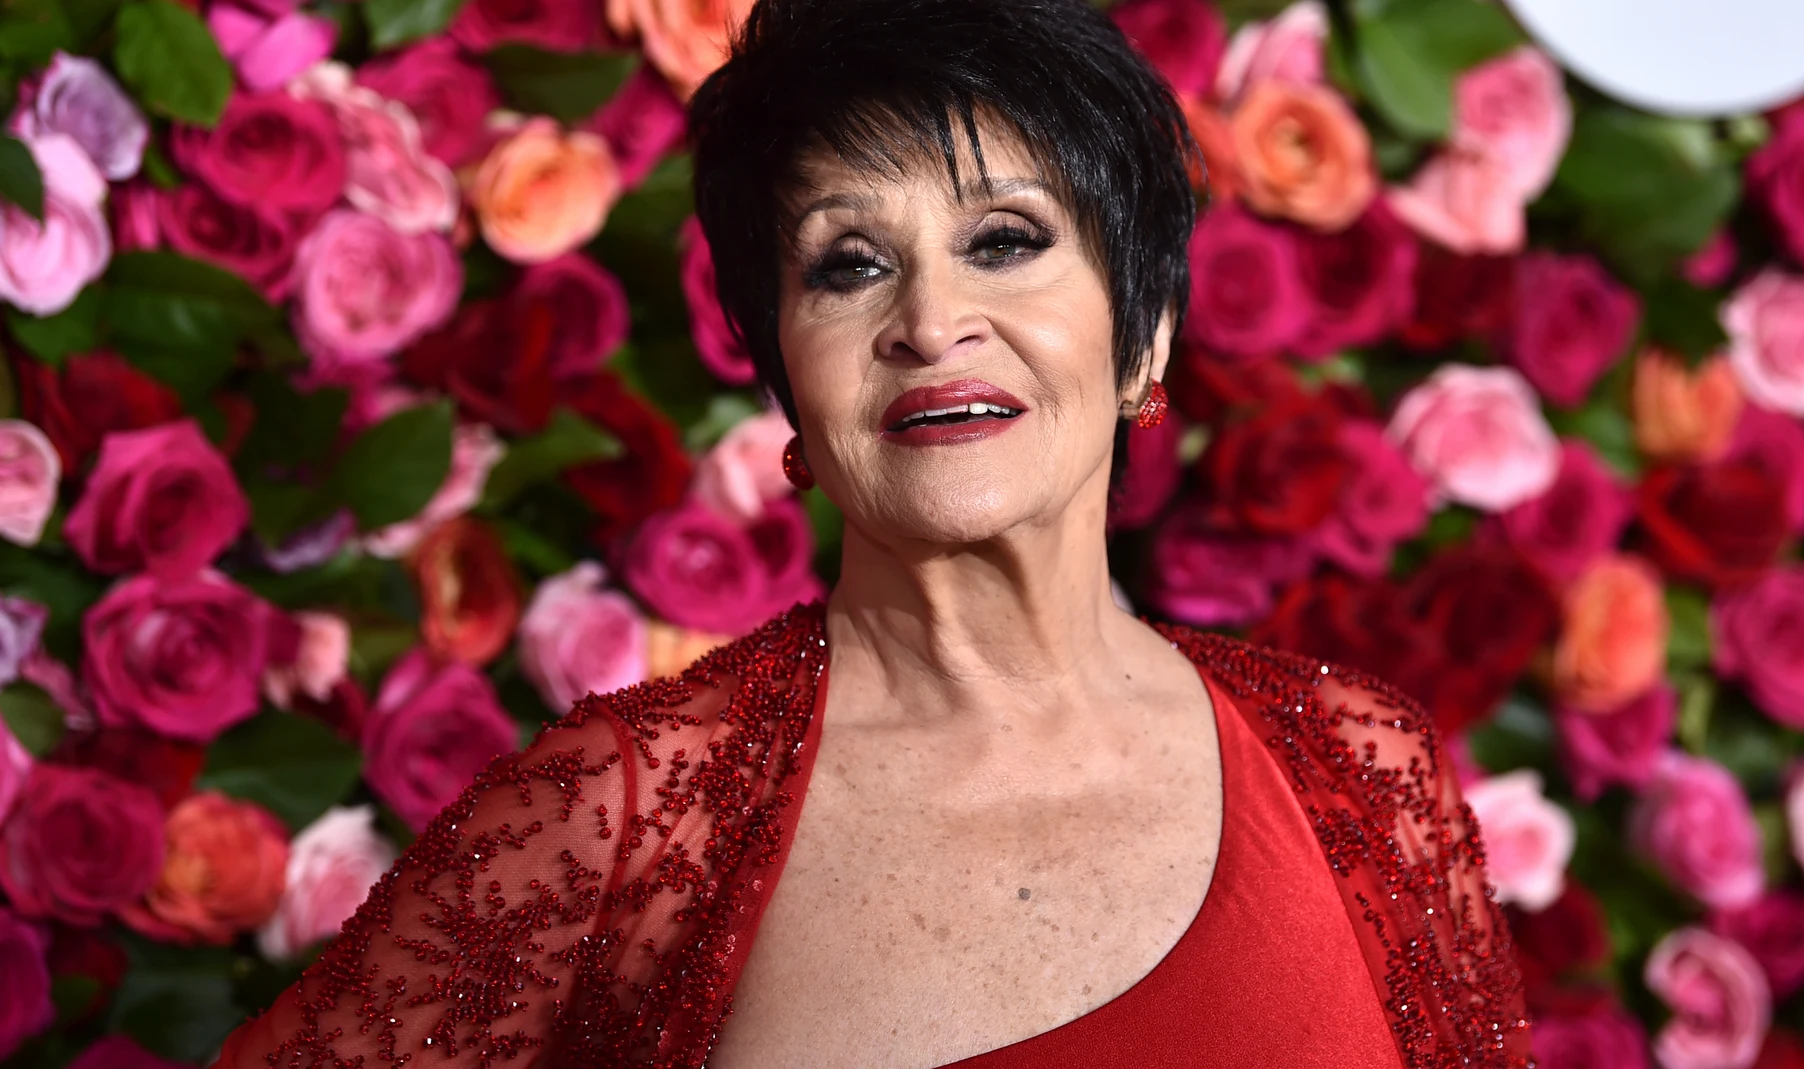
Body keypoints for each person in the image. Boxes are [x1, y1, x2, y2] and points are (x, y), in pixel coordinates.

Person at [213, 0, 1530, 1065]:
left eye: (1006, 240)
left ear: (1144, 342)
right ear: (790, 390)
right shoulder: (624, 821)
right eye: (848, 265)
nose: (929, 320)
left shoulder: (1358, 774)